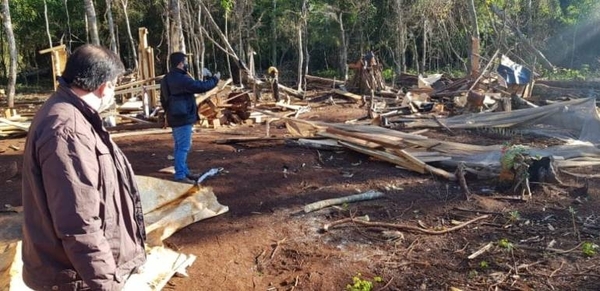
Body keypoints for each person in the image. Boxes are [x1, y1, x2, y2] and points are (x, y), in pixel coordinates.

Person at [21, 44, 146, 290]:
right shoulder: (69, 131)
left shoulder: (70, 115)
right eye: (114, 85)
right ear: (104, 86)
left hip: (76, 273)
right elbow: (79, 222)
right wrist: (106, 283)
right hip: (75, 279)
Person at [160, 52, 220, 184]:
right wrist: (215, 79)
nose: (187, 64)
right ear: (181, 63)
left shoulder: (166, 79)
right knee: (184, 147)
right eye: (185, 62)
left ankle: (184, 171)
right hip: (183, 117)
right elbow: (200, 87)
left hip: (174, 117)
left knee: (179, 146)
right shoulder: (182, 79)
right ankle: (180, 175)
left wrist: (169, 112)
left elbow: (163, 100)